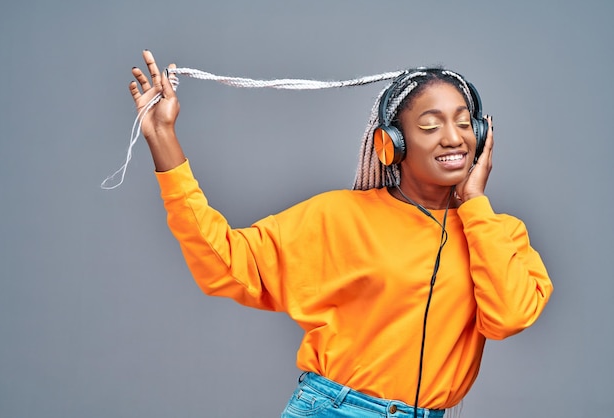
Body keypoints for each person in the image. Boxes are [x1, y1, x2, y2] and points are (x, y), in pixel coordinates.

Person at [129, 50, 553, 418]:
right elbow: (223, 263)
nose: (453, 138)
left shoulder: (498, 234)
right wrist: (162, 136)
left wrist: (474, 202)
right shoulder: (339, 217)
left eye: (465, 124)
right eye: (430, 125)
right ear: (391, 144)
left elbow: (509, 317)